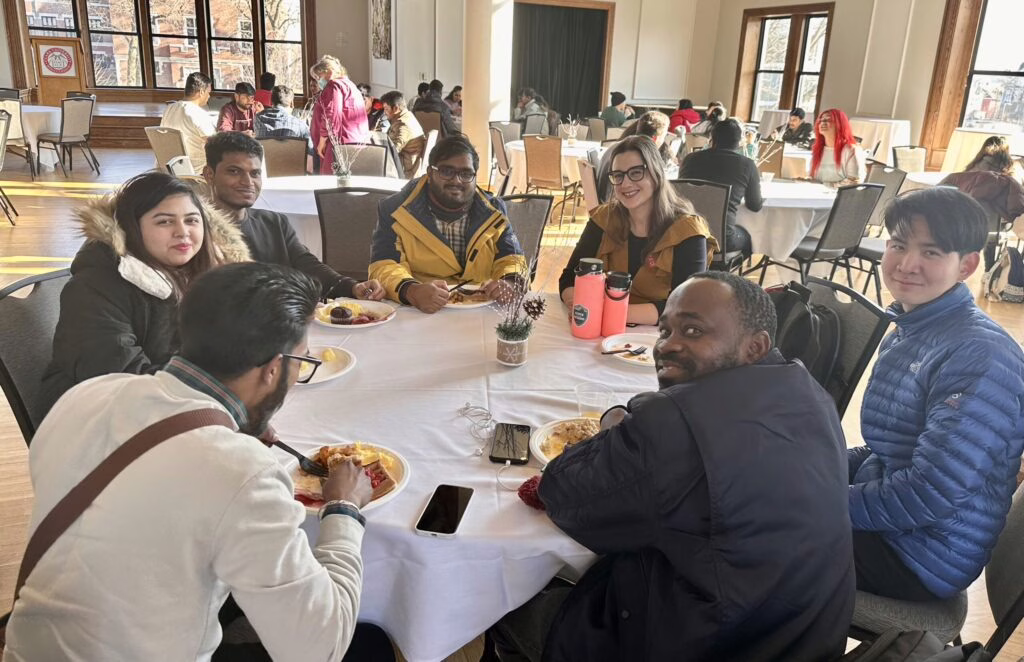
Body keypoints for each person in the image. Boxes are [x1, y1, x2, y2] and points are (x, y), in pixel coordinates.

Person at [5, 262, 379, 661]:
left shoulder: (88, 395)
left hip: (27, 648)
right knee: (369, 644)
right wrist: (344, 509)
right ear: (273, 369)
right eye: (301, 363)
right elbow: (319, 649)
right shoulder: (243, 474)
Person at [490, 272, 855, 662]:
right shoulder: (810, 394)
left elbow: (562, 494)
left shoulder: (673, 423)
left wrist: (617, 428)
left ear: (755, 347)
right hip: (803, 639)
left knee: (501, 601)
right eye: (665, 330)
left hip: (707, 643)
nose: (669, 345)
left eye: (694, 330)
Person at [850, 187, 1024, 602]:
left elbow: (931, 493)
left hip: (920, 554)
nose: (907, 264)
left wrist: (813, 502)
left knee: (732, 540)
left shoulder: (979, 355)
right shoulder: (917, 326)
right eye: (898, 245)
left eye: (931, 252)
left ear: (966, 265)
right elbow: (886, 451)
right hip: (898, 527)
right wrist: (807, 469)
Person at [39, 171, 250, 422]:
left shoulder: (198, 273)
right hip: (96, 425)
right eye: (164, 222)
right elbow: (124, 381)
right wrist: (225, 391)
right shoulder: (96, 286)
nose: (182, 232)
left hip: (170, 407)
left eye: (192, 220)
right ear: (133, 227)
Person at [203, 132, 383, 301]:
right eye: (234, 171)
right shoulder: (195, 232)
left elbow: (307, 265)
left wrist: (353, 287)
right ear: (209, 175)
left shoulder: (274, 223)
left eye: (255, 173)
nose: (248, 182)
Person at [559, 136, 716, 325]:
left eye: (636, 173)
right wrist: (578, 304)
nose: (625, 184)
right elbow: (569, 279)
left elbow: (688, 305)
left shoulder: (688, 231)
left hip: (660, 336)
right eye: (618, 175)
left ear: (656, 174)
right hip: (597, 328)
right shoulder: (603, 219)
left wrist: (608, 312)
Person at [369, 135, 527, 313]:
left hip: (480, 309)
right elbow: (383, 264)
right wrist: (410, 290)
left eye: (466, 174)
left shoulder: (494, 211)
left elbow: (512, 259)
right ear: (429, 173)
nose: (456, 180)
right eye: (446, 171)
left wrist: (510, 281)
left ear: (475, 177)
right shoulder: (395, 209)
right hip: (419, 309)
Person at [679, 118, 762, 256]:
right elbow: (755, 205)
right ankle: (726, 272)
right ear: (739, 142)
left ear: (712, 138)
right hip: (723, 240)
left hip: (686, 233)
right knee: (751, 238)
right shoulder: (747, 165)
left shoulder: (690, 159)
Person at [940, 136, 1024, 269]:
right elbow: (1017, 208)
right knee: (994, 219)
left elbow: (942, 192)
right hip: (992, 227)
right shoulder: (1011, 175)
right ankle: (989, 268)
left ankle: (955, 263)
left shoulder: (970, 169)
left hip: (964, 221)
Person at [310, 55, 370, 175]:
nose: (318, 81)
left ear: (330, 72)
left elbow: (332, 115)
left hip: (338, 146)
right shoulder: (351, 86)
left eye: (319, 76)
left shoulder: (334, 85)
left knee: (331, 185)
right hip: (353, 144)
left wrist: (322, 139)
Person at [596, 111, 673, 202]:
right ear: (655, 139)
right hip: (615, 206)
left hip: (604, 201)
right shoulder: (638, 155)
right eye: (664, 137)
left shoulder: (616, 146)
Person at [160, 71, 217, 172]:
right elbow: (214, 141)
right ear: (201, 92)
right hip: (197, 170)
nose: (209, 96)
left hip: (172, 167)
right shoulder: (198, 113)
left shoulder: (169, 109)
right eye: (208, 92)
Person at [809, 108, 865, 185]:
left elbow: (854, 181)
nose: (823, 123)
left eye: (828, 120)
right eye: (821, 120)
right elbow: (813, 177)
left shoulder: (851, 150)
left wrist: (828, 185)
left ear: (840, 124)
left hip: (840, 195)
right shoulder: (818, 149)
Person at [380, 90, 426, 178]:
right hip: (410, 163)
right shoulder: (408, 115)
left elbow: (393, 150)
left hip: (406, 169)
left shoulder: (403, 124)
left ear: (396, 108)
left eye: (386, 109)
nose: (384, 112)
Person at [254, 85, 313, 153]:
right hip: (292, 162)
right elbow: (311, 151)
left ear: (271, 102)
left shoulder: (257, 119)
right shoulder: (301, 126)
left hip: (265, 163)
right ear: (292, 104)